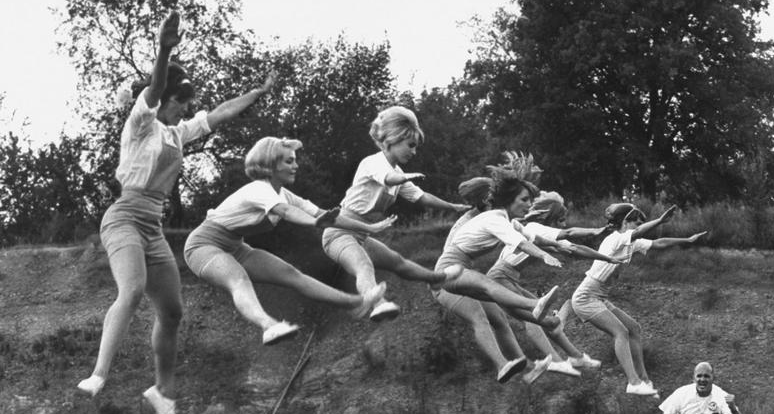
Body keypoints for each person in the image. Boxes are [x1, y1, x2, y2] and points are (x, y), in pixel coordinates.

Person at [76, 11, 277, 414]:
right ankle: (98, 374)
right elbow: (153, 87)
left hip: (153, 227)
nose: (187, 110)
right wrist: (165, 48)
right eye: (181, 103)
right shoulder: (142, 123)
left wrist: (256, 92)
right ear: (165, 100)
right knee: (131, 291)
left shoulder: (175, 133)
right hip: (124, 219)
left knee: (172, 312)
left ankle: (162, 392)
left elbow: (220, 114)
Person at [183, 136, 393, 346]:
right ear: (271, 165)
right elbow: (285, 211)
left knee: (293, 275)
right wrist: (315, 222)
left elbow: (328, 215)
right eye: (289, 161)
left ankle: (357, 302)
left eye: (295, 160)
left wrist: (368, 227)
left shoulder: (284, 193)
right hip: (203, 246)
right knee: (238, 279)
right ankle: (269, 326)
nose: (296, 166)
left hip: (235, 247)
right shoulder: (259, 189)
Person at [321, 106, 470, 321]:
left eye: (415, 147)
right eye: (410, 145)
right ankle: (376, 304)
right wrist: (406, 178)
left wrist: (453, 207)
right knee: (363, 264)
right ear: (392, 141)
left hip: (361, 235)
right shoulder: (373, 163)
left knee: (397, 261)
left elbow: (422, 198)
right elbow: (389, 178)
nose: (414, 151)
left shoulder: (399, 173)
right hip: (338, 234)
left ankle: (436, 279)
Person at [571, 203, 707, 396]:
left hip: (600, 296)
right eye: (637, 222)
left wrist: (688, 239)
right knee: (621, 332)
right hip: (586, 297)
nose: (639, 227)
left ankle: (644, 380)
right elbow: (637, 233)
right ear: (626, 222)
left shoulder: (630, 243)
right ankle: (633, 382)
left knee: (634, 328)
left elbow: (658, 243)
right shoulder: (616, 239)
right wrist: (659, 220)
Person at [487, 191, 620, 377]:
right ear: (552, 217)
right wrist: (595, 231)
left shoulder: (541, 233)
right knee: (537, 317)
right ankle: (554, 362)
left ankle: (575, 357)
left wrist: (605, 257)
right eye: (561, 219)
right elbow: (570, 233)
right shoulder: (536, 227)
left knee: (545, 318)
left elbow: (574, 249)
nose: (564, 224)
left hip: (508, 278)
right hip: (499, 278)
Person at [432, 177, 552, 384]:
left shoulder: (490, 216)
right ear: (483, 201)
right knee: (479, 315)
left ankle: (529, 368)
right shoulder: (469, 221)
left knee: (499, 319)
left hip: (462, 272)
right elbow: (450, 255)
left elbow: (511, 224)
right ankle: (501, 364)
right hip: (445, 280)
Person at [658, 362, 745, 414]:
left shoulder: (721, 396)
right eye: (699, 376)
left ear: (713, 378)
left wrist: (733, 409)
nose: (702, 380)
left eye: (706, 376)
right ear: (694, 378)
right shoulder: (681, 393)